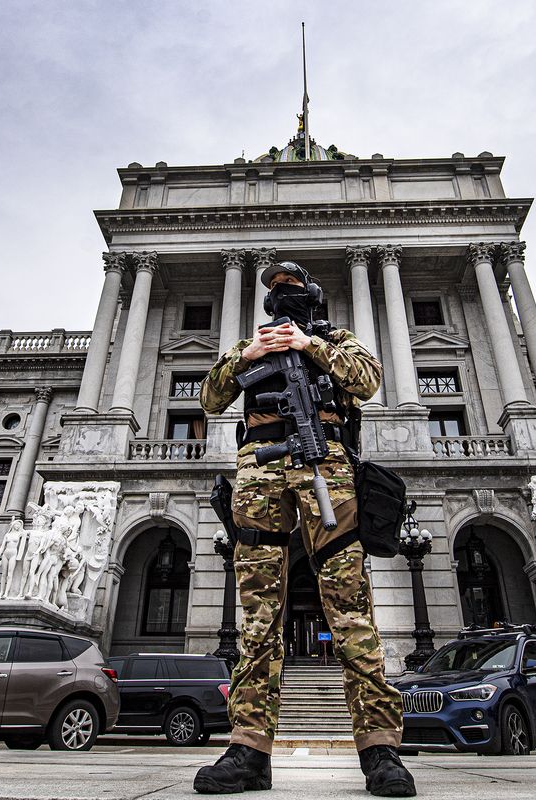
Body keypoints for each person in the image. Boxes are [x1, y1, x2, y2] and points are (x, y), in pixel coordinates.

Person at [195, 261, 414, 797]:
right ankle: (248, 748)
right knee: (257, 616)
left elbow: (367, 380)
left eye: (292, 287)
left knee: (350, 608)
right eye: (276, 290)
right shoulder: (251, 345)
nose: (283, 296)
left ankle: (380, 749)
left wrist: (310, 345)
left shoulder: (336, 338)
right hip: (258, 473)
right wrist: (247, 356)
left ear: (311, 295)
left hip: (327, 469)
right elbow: (209, 399)